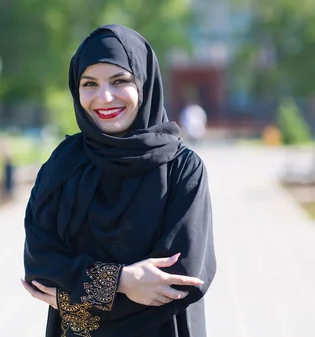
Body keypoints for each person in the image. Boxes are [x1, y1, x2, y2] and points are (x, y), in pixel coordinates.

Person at [21, 24, 216, 337]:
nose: (104, 97)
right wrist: (121, 281)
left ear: (144, 82)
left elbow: (180, 281)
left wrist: (73, 301)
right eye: (89, 84)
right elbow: (40, 266)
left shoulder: (182, 169)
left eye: (120, 80)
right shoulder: (63, 166)